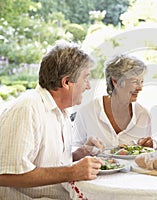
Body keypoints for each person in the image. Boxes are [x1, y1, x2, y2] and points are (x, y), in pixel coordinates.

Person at [0, 40, 106, 200]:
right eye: (85, 78)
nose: (88, 86)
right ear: (66, 82)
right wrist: (71, 172)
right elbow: (5, 174)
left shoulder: (61, 111)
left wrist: (79, 154)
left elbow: (47, 162)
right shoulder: (28, 108)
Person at [72, 54, 154, 151]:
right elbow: (73, 152)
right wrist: (85, 150)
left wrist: (150, 147)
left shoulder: (143, 115)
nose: (140, 88)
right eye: (135, 82)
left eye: (141, 82)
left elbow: (147, 155)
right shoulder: (87, 112)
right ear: (115, 81)